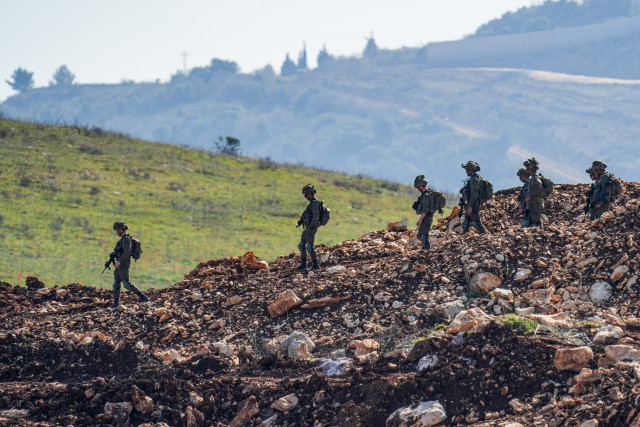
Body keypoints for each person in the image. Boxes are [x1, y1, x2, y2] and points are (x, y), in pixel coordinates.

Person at [110, 221, 149, 308]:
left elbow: (127, 252)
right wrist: (114, 253)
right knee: (116, 283)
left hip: (123, 263)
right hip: (120, 263)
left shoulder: (126, 239)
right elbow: (122, 251)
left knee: (126, 284)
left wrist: (119, 261)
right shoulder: (122, 240)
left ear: (122, 230)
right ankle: (116, 303)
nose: (116, 232)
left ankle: (143, 297)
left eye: (118, 230)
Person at [295, 184, 321, 271]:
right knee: (301, 245)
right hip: (307, 228)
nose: (306, 197)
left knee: (309, 246)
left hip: (311, 228)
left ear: (311, 194)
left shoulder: (315, 205)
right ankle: (303, 264)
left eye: (307, 195)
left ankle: (316, 265)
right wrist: (300, 222)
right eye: (305, 195)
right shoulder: (311, 204)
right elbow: (306, 215)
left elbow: (315, 218)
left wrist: (311, 226)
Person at [460, 160, 487, 234]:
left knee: (477, 224)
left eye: (467, 170)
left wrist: (470, 207)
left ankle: (485, 235)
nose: (466, 172)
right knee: (465, 223)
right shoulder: (472, 179)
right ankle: (465, 237)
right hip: (470, 204)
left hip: (474, 205)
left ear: (471, 170)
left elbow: (474, 195)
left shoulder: (474, 180)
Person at [412, 175, 436, 250]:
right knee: (419, 235)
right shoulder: (425, 195)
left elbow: (425, 210)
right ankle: (425, 248)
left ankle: (427, 250)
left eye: (419, 188)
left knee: (423, 236)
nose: (418, 190)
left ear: (422, 186)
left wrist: (420, 220)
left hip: (427, 218)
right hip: (425, 218)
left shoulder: (426, 195)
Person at [522, 158, 545, 227]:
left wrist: (530, 196)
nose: (527, 171)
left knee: (537, 221)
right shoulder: (533, 179)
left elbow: (539, 187)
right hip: (534, 203)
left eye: (528, 169)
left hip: (536, 203)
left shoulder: (535, 178)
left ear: (531, 169)